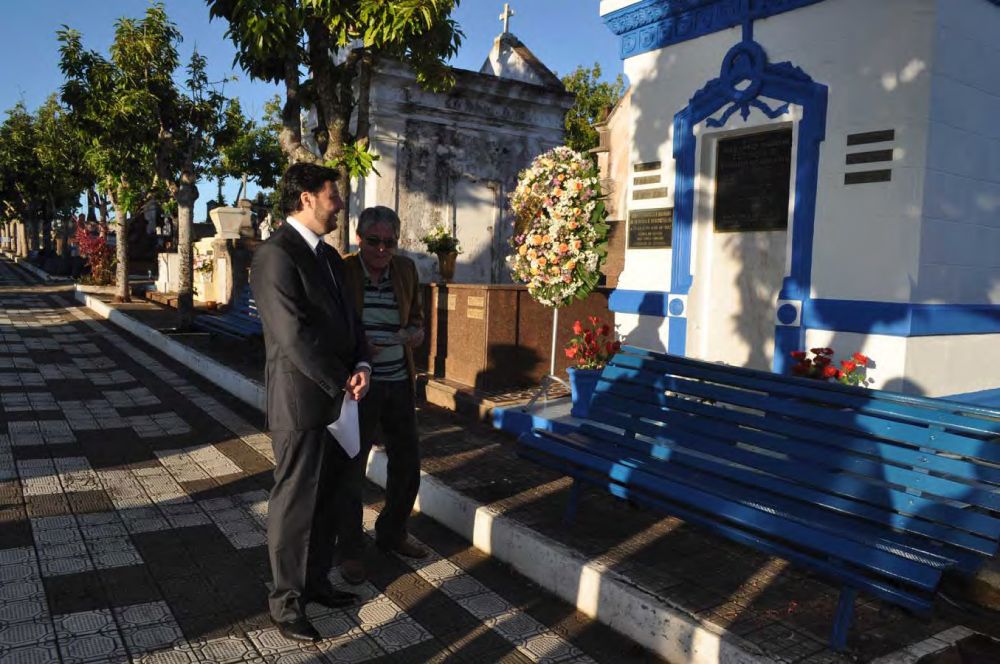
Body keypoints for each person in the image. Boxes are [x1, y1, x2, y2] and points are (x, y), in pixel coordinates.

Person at [249, 163, 372, 643]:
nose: (339, 203)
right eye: (331, 195)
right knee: (296, 504)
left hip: (341, 397)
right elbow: (293, 337)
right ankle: (286, 602)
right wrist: (343, 381)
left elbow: (351, 322)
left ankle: (317, 581)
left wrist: (362, 363)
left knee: (331, 499)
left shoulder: (331, 258)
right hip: (302, 402)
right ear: (305, 198)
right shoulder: (276, 255)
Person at [337, 206, 428, 584]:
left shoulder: (405, 271)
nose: (381, 249)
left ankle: (392, 533)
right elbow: (331, 325)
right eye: (374, 241)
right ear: (359, 239)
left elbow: (418, 321)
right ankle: (350, 550)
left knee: (407, 464)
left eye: (389, 243)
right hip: (360, 385)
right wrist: (358, 351)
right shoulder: (344, 271)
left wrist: (412, 335)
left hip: (399, 381)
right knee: (351, 470)